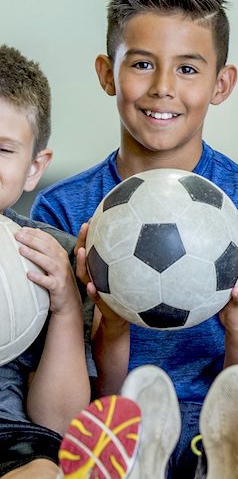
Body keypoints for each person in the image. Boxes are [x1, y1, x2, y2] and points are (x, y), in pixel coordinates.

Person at [29, 0, 238, 476]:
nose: (163, 88)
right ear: (107, 74)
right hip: (109, 423)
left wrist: (237, 316)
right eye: (141, 64)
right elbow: (75, 397)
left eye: (188, 69)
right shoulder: (62, 210)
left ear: (222, 82)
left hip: (220, 431)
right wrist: (109, 321)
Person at [0, 45, 91, 479]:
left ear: (34, 168)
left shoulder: (52, 256)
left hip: (11, 440)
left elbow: (60, 423)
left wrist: (66, 306)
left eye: (2, 149)